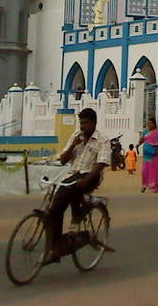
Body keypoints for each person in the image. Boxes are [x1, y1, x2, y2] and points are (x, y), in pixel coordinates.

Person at [46, 107, 110, 264]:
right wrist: (73, 146)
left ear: (94, 123)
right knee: (55, 208)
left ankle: (76, 217)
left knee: (72, 189)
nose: (82, 127)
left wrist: (87, 180)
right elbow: (63, 160)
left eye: (86, 123)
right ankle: (56, 246)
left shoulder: (102, 140)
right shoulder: (76, 136)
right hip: (73, 174)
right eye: (81, 123)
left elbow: (100, 164)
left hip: (91, 174)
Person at [137, 117, 158, 193]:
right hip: (146, 155)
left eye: (150, 123)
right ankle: (144, 185)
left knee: (153, 169)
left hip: (154, 154)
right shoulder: (145, 131)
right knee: (144, 171)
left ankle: (154, 186)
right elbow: (142, 139)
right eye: (147, 123)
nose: (148, 125)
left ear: (154, 124)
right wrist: (138, 144)